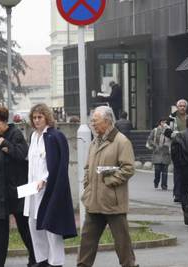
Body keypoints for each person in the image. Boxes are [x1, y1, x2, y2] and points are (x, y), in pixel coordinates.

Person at [77, 106, 139, 267]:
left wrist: (110, 181)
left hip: (113, 202)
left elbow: (128, 168)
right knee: (86, 242)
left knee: (122, 243)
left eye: (95, 121)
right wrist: (88, 185)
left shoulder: (121, 141)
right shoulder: (94, 142)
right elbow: (87, 167)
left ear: (107, 121)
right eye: (92, 121)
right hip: (93, 201)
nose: (93, 124)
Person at [0, 107, 36, 267]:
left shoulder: (15, 134)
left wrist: (6, 144)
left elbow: (23, 154)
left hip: (17, 188)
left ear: (4, 121)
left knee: (25, 227)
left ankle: (36, 258)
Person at [24, 103, 77, 267]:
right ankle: (42, 259)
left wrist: (45, 179)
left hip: (49, 188)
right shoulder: (34, 136)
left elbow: (57, 164)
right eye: (34, 117)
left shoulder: (55, 136)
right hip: (33, 189)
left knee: (51, 226)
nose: (37, 120)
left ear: (47, 117)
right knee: (33, 223)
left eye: (40, 117)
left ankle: (56, 262)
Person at [166, 99, 188, 203]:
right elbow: (167, 132)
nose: (182, 108)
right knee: (178, 172)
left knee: (186, 172)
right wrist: (178, 134)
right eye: (180, 106)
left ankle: (185, 192)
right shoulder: (171, 118)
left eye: (184, 106)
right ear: (177, 107)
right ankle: (177, 194)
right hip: (177, 147)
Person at [147, 118, 171, 190]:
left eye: (165, 122)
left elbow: (172, 139)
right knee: (157, 170)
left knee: (165, 171)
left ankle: (164, 185)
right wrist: (155, 145)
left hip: (166, 152)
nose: (164, 123)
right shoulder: (155, 130)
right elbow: (150, 139)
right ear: (160, 123)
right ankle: (156, 181)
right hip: (157, 152)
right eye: (163, 122)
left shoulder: (169, 131)